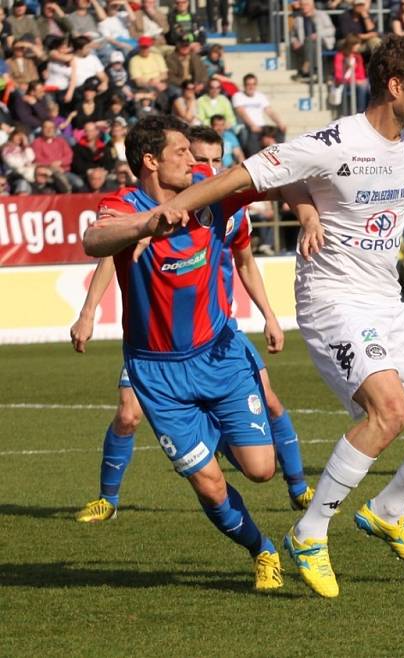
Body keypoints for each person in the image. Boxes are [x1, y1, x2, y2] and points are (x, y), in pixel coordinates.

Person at [143, 35, 404, 599]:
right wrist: (179, 205)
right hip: (333, 299)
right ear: (395, 85)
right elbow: (248, 175)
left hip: (385, 301)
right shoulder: (333, 142)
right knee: (390, 411)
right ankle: (310, 532)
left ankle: (388, 509)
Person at [81, 115, 296, 592]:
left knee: (261, 471)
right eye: (182, 152)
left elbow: (284, 178)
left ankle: (230, 439)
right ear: (151, 161)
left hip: (218, 356)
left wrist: (313, 213)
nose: (194, 159)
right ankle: (262, 549)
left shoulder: (212, 190)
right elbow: (93, 240)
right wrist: (146, 225)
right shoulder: (122, 204)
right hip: (156, 373)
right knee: (211, 485)